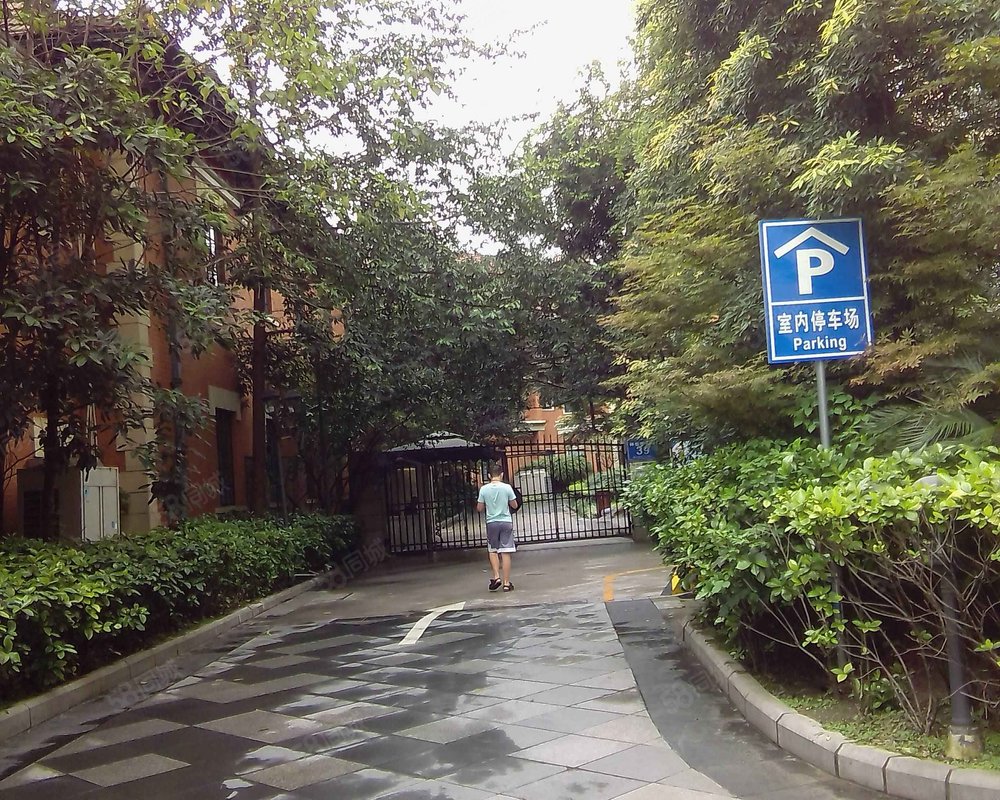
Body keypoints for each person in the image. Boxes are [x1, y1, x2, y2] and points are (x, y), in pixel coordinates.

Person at [476, 462, 518, 592]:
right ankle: (506, 583)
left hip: (491, 522)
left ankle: (496, 577)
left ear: (489, 475)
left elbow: (479, 508)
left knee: (493, 550)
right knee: (506, 551)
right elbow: (514, 505)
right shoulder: (507, 488)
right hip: (506, 521)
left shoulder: (484, 489)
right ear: (502, 475)